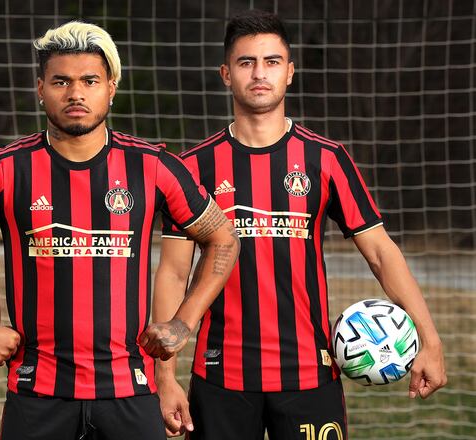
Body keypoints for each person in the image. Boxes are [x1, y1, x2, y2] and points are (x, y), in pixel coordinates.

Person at [0, 21, 240, 440]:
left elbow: (224, 239)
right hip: (37, 393)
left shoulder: (153, 166)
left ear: (111, 87)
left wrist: (184, 324)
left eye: (90, 80)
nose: (76, 93)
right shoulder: (4, 168)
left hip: (131, 392)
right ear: (40, 88)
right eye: (61, 81)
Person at [155, 10, 447, 439]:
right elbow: (174, 272)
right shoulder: (192, 166)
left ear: (289, 72)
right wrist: (165, 378)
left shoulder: (326, 159)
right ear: (225, 74)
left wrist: (431, 339)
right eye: (246, 62)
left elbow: (382, 252)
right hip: (220, 376)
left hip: (309, 373)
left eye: (272, 62)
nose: (259, 73)